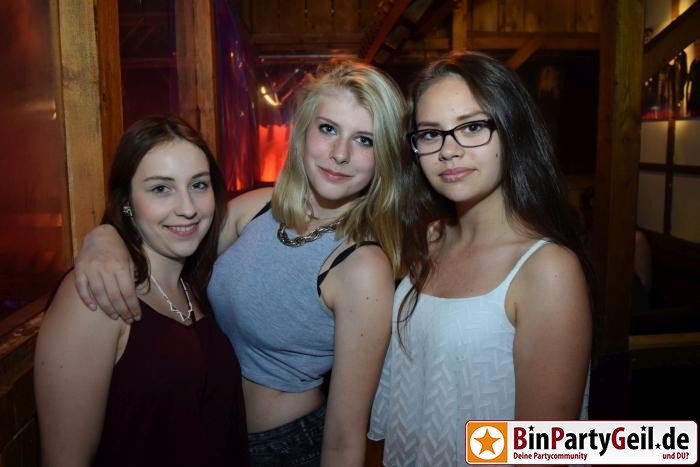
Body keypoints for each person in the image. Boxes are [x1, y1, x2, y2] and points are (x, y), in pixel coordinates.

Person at [71, 61, 408, 466]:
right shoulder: (260, 208)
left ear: (384, 157)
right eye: (328, 129)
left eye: (365, 140)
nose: (340, 154)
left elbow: (344, 438)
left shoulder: (363, 266)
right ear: (304, 131)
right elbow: (164, 241)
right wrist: (104, 237)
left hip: (281, 450)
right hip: (207, 434)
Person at [368, 51, 594, 466]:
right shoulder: (430, 239)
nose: (448, 150)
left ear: (511, 130)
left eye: (472, 127)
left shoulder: (547, 270)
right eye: (431, 134)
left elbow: (544, 451)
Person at [34, 115, 250, 466]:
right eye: (161, 189)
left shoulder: (194, 284)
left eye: (199, 185)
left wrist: (102, 234)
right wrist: (103, 234)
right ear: (127, 201)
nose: (187, 208)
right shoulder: (95, 294)